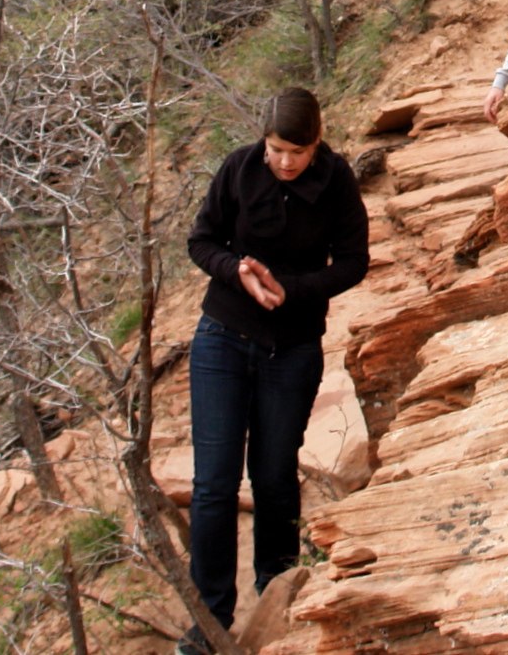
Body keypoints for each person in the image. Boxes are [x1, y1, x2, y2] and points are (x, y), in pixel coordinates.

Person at [184, 89, 370, 643]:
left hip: (291, 348)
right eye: (277, 149)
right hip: (222, 336)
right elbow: (200, 240)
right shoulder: (239, 169)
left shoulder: (336, 181)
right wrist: (233, 269)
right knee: (213, 484)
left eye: (298, 151)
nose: (286, 162)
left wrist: (294, 291)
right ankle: (210, 617)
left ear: (317, 142)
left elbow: (355, 261)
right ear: (263, 141)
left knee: (273, 476)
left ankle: (278, 590)